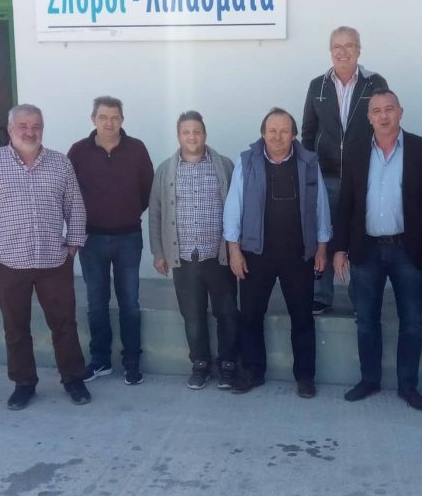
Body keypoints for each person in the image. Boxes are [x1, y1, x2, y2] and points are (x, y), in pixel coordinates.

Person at [0, 104, 90, 410]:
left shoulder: (60, 163)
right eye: (23, 126)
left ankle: (73, 378)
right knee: (15, 327)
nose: (30, 132)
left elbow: (75, 206)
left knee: (64, 323)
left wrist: (72, 247)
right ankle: (23, 383)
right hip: (6, 263)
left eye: (36, 126)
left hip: (53, 261)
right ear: (10, 129)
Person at [332, 89, 422, 411]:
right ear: (369, 118)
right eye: (376, 111)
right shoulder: (355, 151)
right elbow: (346, 202)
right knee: (366, 321)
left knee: (412, 322)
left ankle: (408, 385)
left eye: (389, 109)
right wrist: (339, 248)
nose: (383, 116)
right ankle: (370, 380)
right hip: (366, 250)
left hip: (408, 249)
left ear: (400, 112)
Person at [223, 108, 332, 397]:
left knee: (302, 318)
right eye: (272, 130)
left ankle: (305, 377)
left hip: (299, 255)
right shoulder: (246, 162)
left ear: (293, 135)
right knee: (250, 316)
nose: (278, 136)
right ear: (263, 133)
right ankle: (253, 371)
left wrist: (322, 247)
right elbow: (233, 207)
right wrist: (234, 250)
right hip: (255, 253)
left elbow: (321, 207)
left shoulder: (309, 163)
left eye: (284, 131)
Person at [67, 96, 154, 386]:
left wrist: (127, 211)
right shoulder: (78, 151)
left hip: (128, 237)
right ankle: (100, 360)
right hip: (91, 239)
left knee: (130, 303)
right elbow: (68, 191)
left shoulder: (137, 149)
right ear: (93, 119)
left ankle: (132, 362)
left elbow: (147, 190)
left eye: (115, 117)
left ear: (122, 120)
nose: (109, 122)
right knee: (96, 303)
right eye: (103, 117)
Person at [149, 111, 239, 390]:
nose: (192, 136)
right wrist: (159, 252)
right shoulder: (165, 170)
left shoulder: (224, 165)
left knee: (227, 312)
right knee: (193, 316)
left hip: (219, 256)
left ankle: (228, 364)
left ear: (205, 134)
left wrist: (236, 250)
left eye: (197, 131)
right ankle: (200, 365)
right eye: (186, 132)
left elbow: (237, 208)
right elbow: (156, 212)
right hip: (184, 257)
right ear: (179, 136)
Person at [301, 26, 387, 315]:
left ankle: (360, 295)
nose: (343, 51)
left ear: (358, 50)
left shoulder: (374, 83)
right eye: (337, 46)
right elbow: (308, 132)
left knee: (360, 236)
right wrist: (310, 171)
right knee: (323, 235)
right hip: (325, 176)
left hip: (363, 175)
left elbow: (383, 126)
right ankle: (321, 294)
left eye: (349, 45)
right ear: (330, 51)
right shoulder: (317, 86)